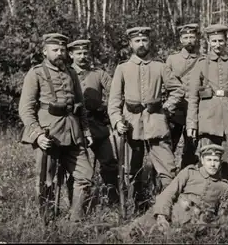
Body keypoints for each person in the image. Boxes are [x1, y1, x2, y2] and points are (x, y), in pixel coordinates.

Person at [108, 26, 185, 212]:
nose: (141, 44)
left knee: (168, 168)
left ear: (149, 42)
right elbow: (114, 100)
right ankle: (137, 207)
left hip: (156, 122)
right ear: (130, 44)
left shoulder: (160, 67)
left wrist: (166, 108)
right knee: (132, 170)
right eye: (137, 41)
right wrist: (117, 121)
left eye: (144, 40)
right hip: (131, 125)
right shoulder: (123, 68)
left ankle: (169, 208)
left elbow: (178, 90)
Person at [18, 33, 94, 222]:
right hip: (48, 134)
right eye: (55, 50)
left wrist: (85, 130)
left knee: (85, 175)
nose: (60, 53)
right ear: (45, 51)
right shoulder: (35, 73)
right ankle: (48, 221)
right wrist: (37, 135)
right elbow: (25, 109)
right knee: (47, 180)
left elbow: (80, 105)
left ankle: (76, 220)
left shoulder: (71, 73)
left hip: (73, 132)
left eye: (62, 50)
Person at [112, 144, 228, 238]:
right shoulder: (190, 173)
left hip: (197, 224)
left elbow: (222, 214)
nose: (212, 164)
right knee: (138, 227)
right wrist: (162, 215)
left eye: (216, 160)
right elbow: (169, 193)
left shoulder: (224, 187)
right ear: (202, 160)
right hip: (174, 213)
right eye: (209, 160)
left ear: (220, 162)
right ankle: (115, 235)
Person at [186, 23, 228, 177]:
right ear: (208, 42)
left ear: (226, 41)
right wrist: (191, 123)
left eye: (220, 41)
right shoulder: (201, 64)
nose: (217, 45)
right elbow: (193, 96)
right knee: (209, 160)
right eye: (214, 41)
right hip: (208, 120)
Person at [68, 39, 118, 205]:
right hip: (74, 126)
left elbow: (115, 91)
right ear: (71, 55)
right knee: (75, 168)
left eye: (85, 53)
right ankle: (77, 202)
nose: (83, 57)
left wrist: (105, 106)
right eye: (79, 53)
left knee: (109, 162)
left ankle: (113, 199)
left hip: (97, 124)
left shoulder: (98, 74)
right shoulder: (66, 74)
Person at [166, 23, 202, 169]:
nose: (189, 41)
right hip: (176, 110)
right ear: (181, 40)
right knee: (169, 146)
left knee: (191, 147)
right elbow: (165, 84)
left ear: (196, 38)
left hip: (194, 110)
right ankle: (164, 178)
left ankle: (187, 176)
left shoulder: (202, 60)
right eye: (186, 37)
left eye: (192, 37)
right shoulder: (172, 60)